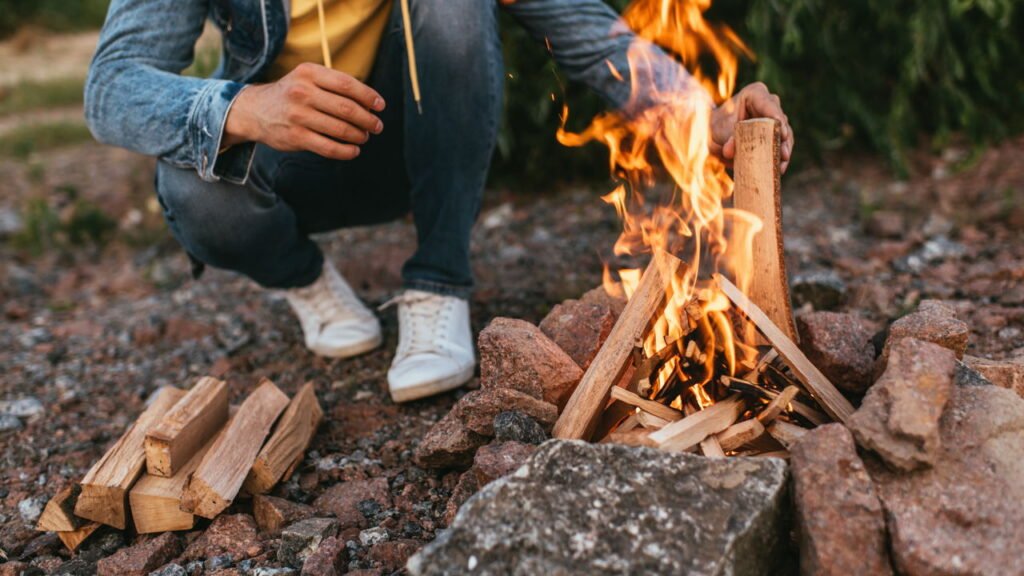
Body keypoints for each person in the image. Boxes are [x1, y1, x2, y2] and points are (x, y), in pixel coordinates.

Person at [85, 0, 794, 403]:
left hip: (426, 143)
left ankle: (438, 282)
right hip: (287, 157)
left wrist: (706, 119)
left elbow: (582, 30)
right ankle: (306, 280)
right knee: (189, 184)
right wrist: (244, 108)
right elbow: (111, 87)